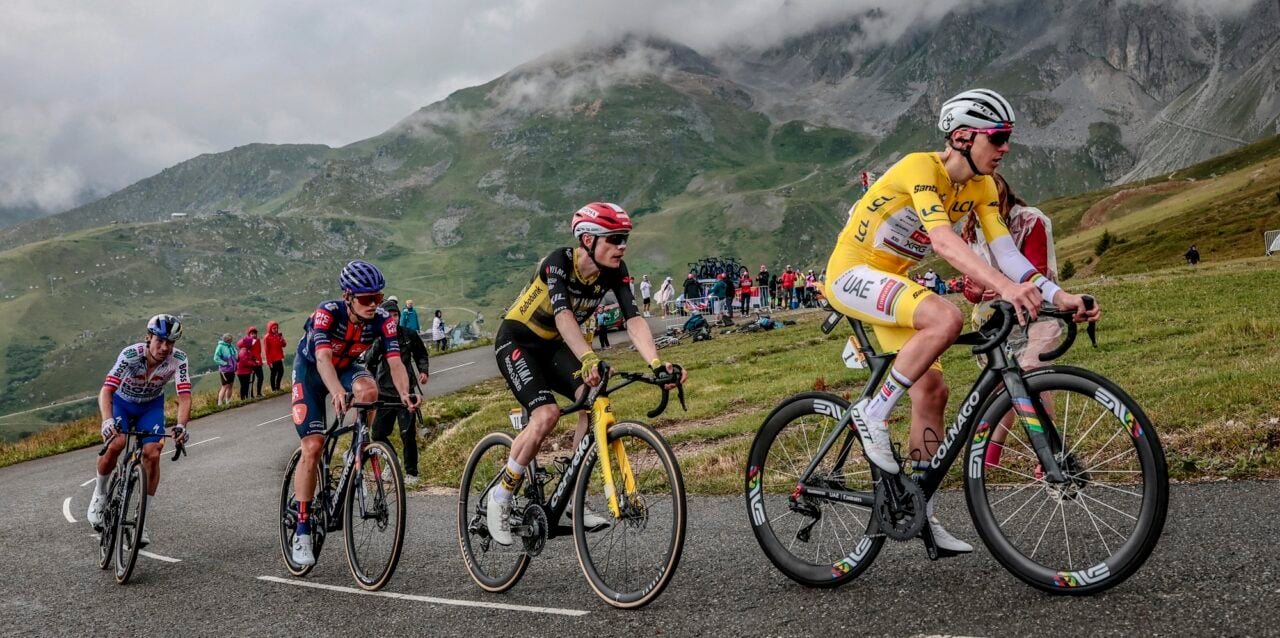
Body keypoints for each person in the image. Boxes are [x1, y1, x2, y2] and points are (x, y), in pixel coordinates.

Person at [822, 88, 1099, 555]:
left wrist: (1061, 295)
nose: (1006, 147)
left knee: (932, 390)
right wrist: (1007, 290)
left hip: (893, 280)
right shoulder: (920, 168)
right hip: (852, 272)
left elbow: (1008, 254)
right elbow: (947, 245)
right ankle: (873, 414)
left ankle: (920, 514)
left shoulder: (983, 187)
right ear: (964, 136)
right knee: (946, 317)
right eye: (999, 137)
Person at [487, 202, 687, 546]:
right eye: (615, 238)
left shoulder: (614, 270)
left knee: (590, 401)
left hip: (553, 348)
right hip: (517, 341)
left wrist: (657, 363)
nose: (622, 246)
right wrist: (589, 357)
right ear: (588, 240)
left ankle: (571, 496)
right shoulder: (558, 263)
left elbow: (634, 319)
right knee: (546, 414)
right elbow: (564, 317)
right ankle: (501, 496)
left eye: (624, 238)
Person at [289, 260, 418, 566]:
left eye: (378, 297)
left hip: (346, 367)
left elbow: (395, 362)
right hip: (311, 372)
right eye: (366, 299)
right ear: (348, 296)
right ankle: (302, 529)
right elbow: (322, 358)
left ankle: (358, 447)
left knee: (370, 392)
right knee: (314, 445)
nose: (374, 305)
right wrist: (335, 391)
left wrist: (404, 393)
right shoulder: (327, 313)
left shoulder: (382, 319)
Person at [962, 172, 1062, 470]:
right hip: (993, 319)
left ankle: (1050, 455)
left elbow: (1036, 270)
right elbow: (970, 289)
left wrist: (1000, 283)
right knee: (1002, 387)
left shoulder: (1029, 221)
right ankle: (991, 455)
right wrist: (982, 287)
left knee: (1032, 376)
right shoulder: (972, 229)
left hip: (1035, 312)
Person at [87, 314, 191, 546]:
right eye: (160, 341)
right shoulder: (131, 355)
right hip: (122, 404)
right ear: (148, 337)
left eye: (170, 343)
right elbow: (106, 391)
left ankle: (141, 520)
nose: (165, 347)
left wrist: (182, 425)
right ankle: (100, 494)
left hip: (151, 407)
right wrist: (107, 421)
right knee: (116, 443)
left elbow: (184, 396)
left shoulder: (179, 360)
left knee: (153, 453)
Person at [364, 299, 430, 486]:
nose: (393, 319)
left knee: (407, 434)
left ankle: (412, 473)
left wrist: (423, 370)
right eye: (389, 316)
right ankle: (392, 462)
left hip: (405, 392)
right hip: (383, 394)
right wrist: (377, 343)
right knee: (377, 433)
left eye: (395, 315)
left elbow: (421, 354)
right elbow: (368, 362)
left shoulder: (409, 335)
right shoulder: (378, 337)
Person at [214, 333, 236, 405]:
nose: (230, 341)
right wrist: (225, 363)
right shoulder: (220, 347)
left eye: (231, 340)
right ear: (225, 339)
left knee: (230, 385)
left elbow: (235, 354)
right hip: (225, 370)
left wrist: (236, 359)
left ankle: (228, 402)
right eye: (229, 340)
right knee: (225, 386)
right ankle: (219, 403)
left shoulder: (231, 346)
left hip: (232, 369)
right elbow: (216, 358)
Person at [265, 321, 287, 392]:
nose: (275, 329)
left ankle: (278, 387)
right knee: (273, 374)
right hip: (272, 359)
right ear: (270, 328)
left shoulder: (278, 335)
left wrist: (282, 339)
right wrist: (269, 362)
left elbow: (284, 345)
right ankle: (273, 389)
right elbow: (266, 350)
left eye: (276, 328)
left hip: (279, 357)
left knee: (281, 372)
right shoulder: (267, 338)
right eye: (274, 328)